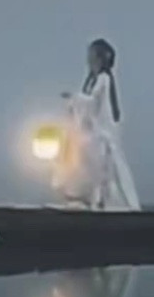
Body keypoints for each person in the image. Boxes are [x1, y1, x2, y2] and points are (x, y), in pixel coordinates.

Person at [57, 39, 141, 211]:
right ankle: (90, 201)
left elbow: (94, 102)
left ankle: (105, 203)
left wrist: (74, 98)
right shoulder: (93, 80)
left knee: (104, 172)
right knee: (88, 166)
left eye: (91, 56)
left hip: (100, 136)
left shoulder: (103, 79)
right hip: (93, 135)